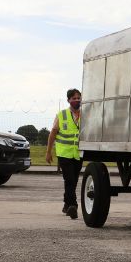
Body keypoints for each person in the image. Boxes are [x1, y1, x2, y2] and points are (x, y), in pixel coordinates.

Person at [46, 88, 82, 219]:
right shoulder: (62, 115)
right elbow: (53, 133)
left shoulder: (85, 115)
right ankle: (73, 206)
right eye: (74, 98)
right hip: (64, 153)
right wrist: (48, 152)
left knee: (74, 181)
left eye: (79, 98)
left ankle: (67, 204)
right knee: (69, 179)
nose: (77, 100)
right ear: (68, 100)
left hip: (78, 154)